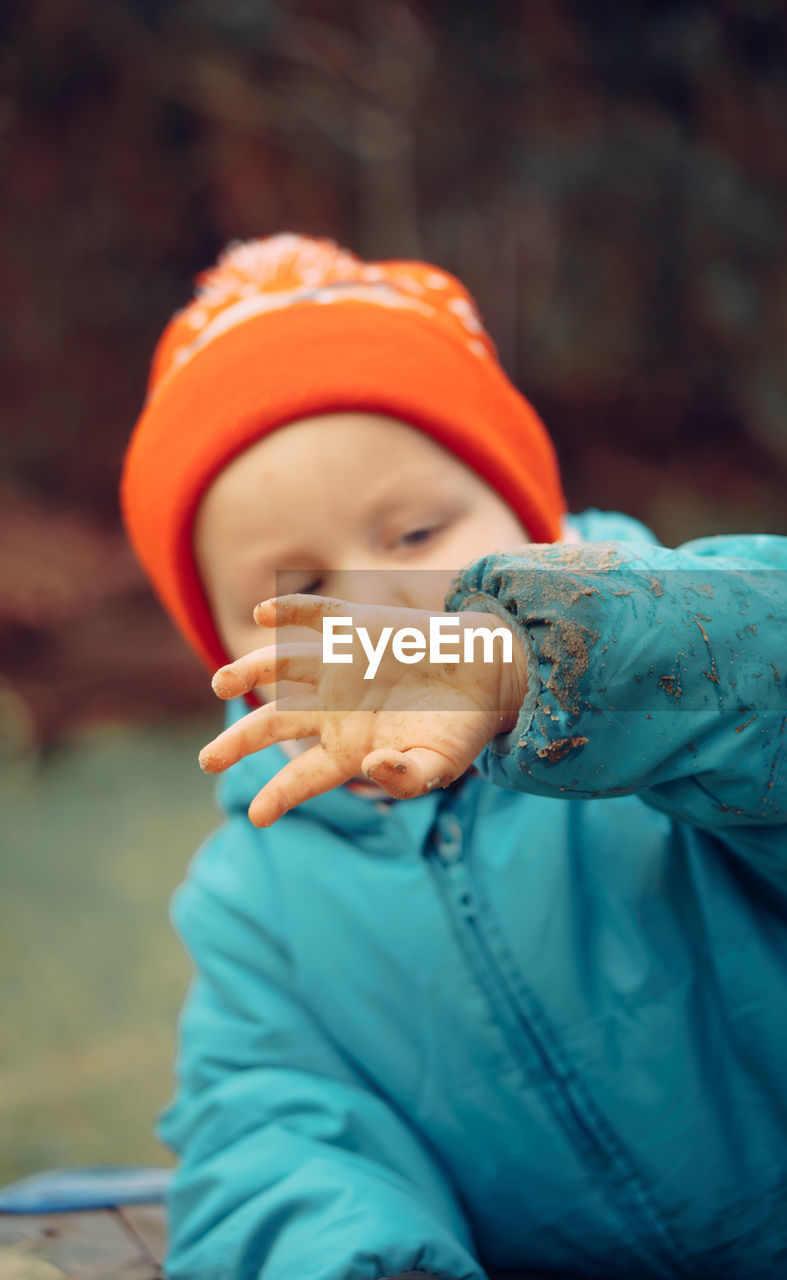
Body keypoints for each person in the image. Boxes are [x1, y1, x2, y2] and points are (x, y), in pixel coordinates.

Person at [121, 234, 786, 1280]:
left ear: (531, 522)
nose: (371, 603)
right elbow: (272, 1136)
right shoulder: (257, 902)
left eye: (415, 532)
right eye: (296, 584)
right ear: (233, 663)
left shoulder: (691, 670)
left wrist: (549, 661)